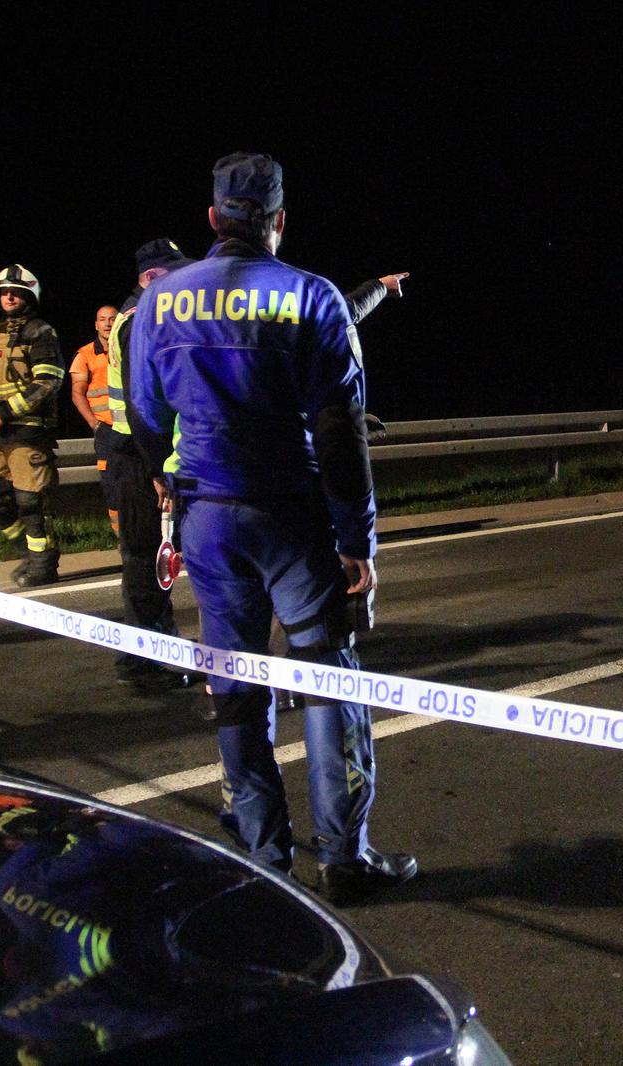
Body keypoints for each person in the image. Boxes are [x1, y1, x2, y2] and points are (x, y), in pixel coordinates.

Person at [128, 152, 416, 902]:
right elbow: (341, 428)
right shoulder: (314, 298)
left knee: (236, 683)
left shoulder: (159, 303)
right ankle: (345, 857)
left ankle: (261, 855)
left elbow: (145, 416)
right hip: (293, 514)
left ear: (213, 218)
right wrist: (359, 540)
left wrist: (174, 473)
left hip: (208, 520)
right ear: (279, 220)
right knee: (326, 677)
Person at [103, 239, 197, 691]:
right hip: (139, 457)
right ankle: (147, 661)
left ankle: (156, 650)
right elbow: (143, 406)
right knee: (146, 559)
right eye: (173, 272)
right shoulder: (140, 320)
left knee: (150, 558)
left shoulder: (142, 316)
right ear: (151, 277)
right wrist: (160, 470)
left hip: (139, 455)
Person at [0, 264, 64, 587]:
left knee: (31, 501)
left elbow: (48, 382)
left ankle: (43, 563)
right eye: (4, 292)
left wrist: (8, 412)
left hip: (28, 431)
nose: (9, 297)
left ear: (29, 296)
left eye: (16, 292)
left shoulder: (41, 332)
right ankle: (25, 549)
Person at [68, 304, 119, 536]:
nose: (108, 323)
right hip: (107, 430)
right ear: (96, 324)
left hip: (132, 428)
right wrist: (94, 423)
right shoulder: (85, 354)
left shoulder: (129, 349)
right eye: (103, 319)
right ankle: (122, 538)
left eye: (112, 318)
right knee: (112, 487)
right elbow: (77, 392)